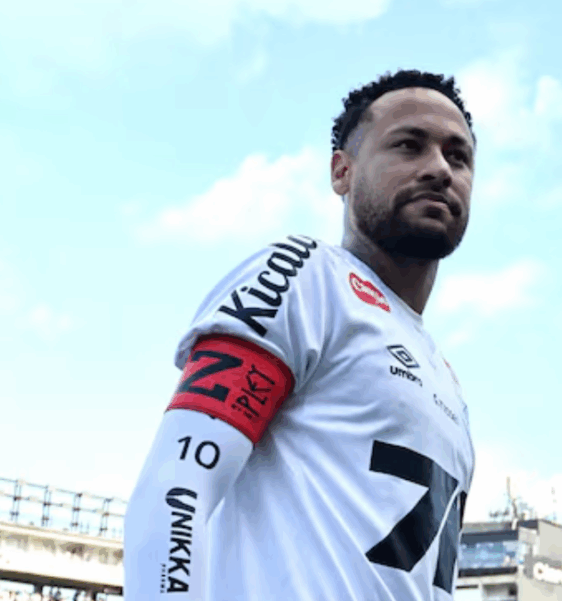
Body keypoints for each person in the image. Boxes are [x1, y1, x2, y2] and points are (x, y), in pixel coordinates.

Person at [123, 69, 479, 600]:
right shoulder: (308, 278)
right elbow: (177, 488)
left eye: (458, 156)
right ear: (342, 171)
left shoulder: (448, 382)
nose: (439, 169)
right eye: (409, 145)